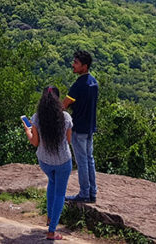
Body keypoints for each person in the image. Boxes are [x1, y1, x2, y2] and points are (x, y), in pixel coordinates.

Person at [24, 86, 73, 241]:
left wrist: (27, 130)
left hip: (45, 161)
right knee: (60, 193)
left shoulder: (37, 118)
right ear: (58, 100)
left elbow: (35, 142)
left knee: (51, 183)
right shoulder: (65, 118)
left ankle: (50, 218)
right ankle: (52, 232)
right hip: (63, 161)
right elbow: (70, 140)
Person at [62, 50, 98, 203]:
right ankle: (92, 192)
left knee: (82, 161)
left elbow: (64, 105)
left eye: (76, 63)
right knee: (89, 159)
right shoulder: (93, 82)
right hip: (90, 127)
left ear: (84, 66)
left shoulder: (78, 85)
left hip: (79, 127)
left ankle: (84, 194)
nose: (73, 65)